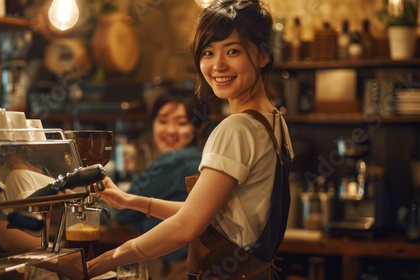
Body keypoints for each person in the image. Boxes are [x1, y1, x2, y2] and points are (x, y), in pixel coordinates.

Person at [87, 0, 294, 279]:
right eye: (208, 52)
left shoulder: (236, 128)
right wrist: (128, 201)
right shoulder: (274, 122)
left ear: (263, 55)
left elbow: (187, 227)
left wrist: (107, 260)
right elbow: (204, 213)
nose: (218, 65)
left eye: (233, 51)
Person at [115, 90, 209, 279]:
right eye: (163, 121)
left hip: (175, 268)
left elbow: (122, 213)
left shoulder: (172, 162)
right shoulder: (202, 159)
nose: (171, 130)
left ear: (199, 128)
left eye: (182, 123)